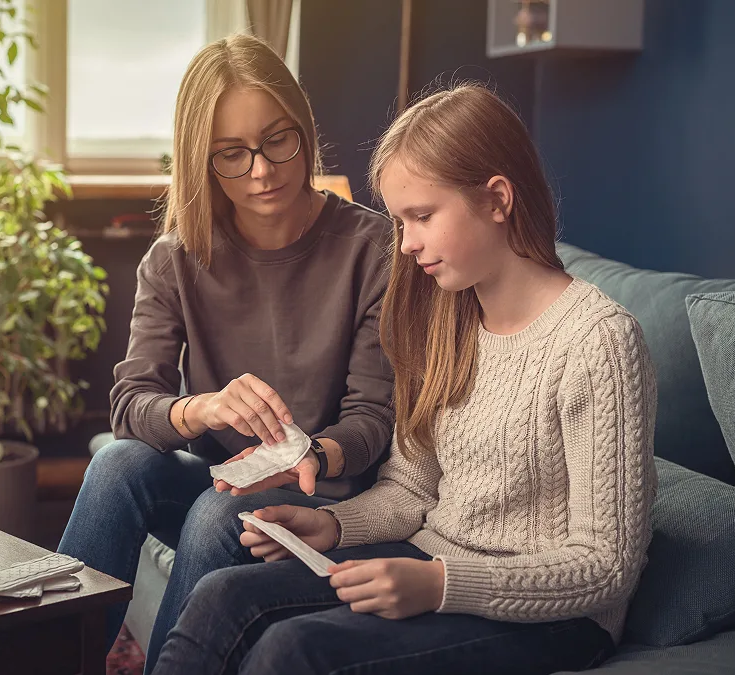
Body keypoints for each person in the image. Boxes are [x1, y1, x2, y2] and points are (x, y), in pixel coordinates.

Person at [153, 82, 659, 675]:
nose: (407, 244)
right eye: (399, 221)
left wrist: (440, 585)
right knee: (223, 595)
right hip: (430, 560)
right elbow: (415, 490)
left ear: (497, 199)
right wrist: (332, 525)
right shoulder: (447, 322)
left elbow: (607, 566)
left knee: (294, 649)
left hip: (556, 620)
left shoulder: (598, 341)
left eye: (421, 216)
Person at [56, 34, 395, 671]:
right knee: (116, 467)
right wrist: (204, 409)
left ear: (303, 126)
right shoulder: (176, 257)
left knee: (219, 514)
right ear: (201, 160)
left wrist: (306, 456)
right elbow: (131, 405)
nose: (262, 171)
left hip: (322, 490)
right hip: (218, 476)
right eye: (231, 154)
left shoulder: (371, 247)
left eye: (277, 140)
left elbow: (374, 419)